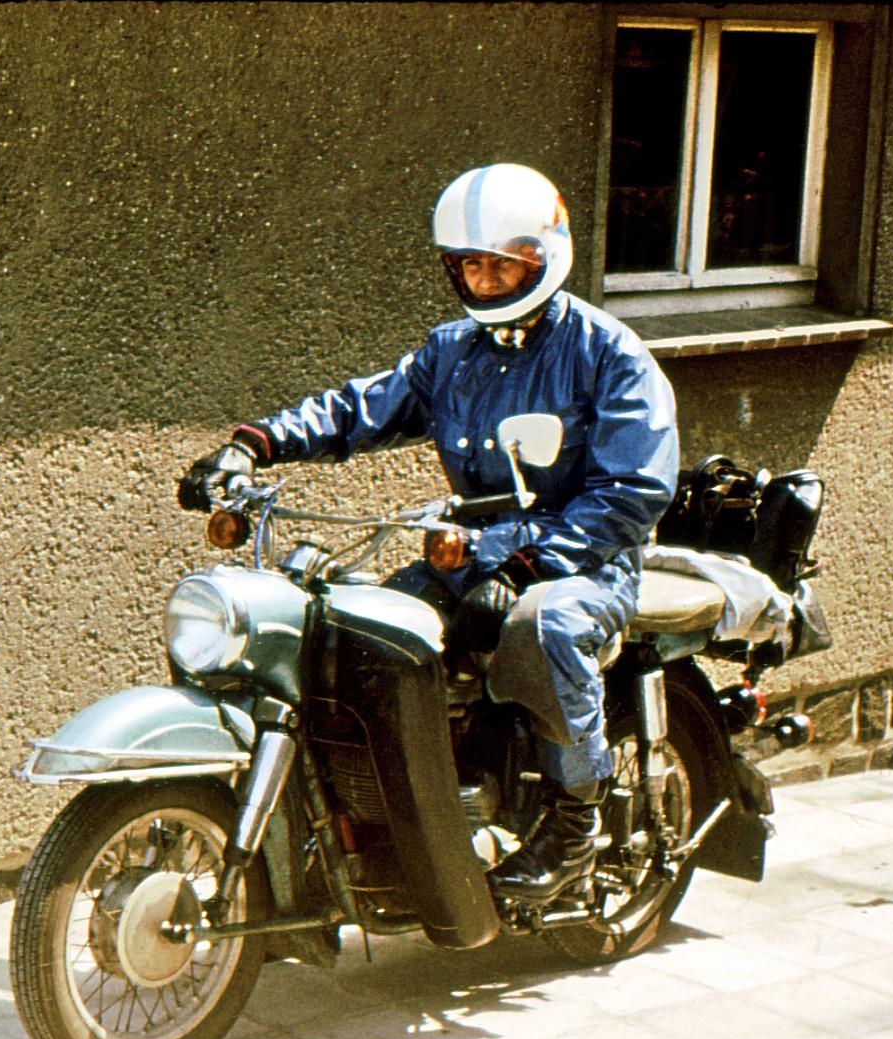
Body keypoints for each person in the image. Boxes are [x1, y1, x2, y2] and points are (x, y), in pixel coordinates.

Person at [178, 163, 679, 903]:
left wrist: (530, 563)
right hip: (470, 554)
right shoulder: (452, 352)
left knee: (543, 628)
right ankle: (396, 816)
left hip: (585, 562)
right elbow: (359, 409)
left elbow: (632, 491)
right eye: (470, 264)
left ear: (543, 256)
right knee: (366, 634)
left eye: (503, 263)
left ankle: (574, 823)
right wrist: (253, 446)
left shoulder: (607, 353)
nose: (485, 279)